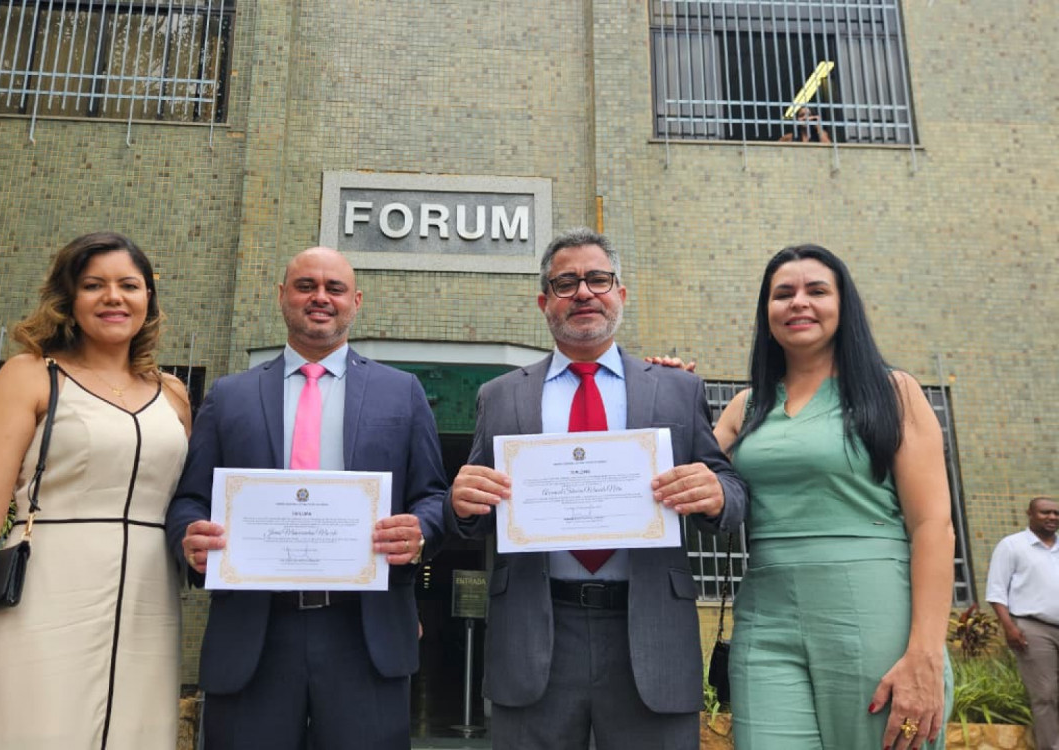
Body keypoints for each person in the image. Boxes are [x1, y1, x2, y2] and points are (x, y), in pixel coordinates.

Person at [446, 228, 748, 750]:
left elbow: (733, 490)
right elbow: (473, 516)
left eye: (598, 279)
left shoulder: (676, 388)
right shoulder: (500, 396)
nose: (583, 292)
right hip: (536, 630)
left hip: (649, 629)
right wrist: (463, 504)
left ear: (620, 293)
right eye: (565, 283)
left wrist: (718, 495)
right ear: (544, 302)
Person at [167, 246, 447, 750]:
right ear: (282, 296)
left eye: (334, 288)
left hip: (365, 632)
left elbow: (431, 495)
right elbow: (189, 499)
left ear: (355, 301)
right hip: (254, 632)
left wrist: (421, 531)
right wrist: (188, 536)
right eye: (305, 286)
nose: (320, 297)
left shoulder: (402, 392)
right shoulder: (229, 396)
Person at [0, 232, 193, 749]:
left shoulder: (174, 395)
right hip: (44, 596)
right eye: (94, 285)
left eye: (128, 285)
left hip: (149, 605)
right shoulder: (30, 376)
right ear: (69, 298)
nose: (113, 297)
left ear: (148, 298)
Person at [712, 244, 953, 750]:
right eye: (783, 293)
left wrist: (925, 654)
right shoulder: (745, 407)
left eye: (816, 290)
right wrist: (665, 385)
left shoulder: (894, 393)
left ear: (844, 307)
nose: (798, 302)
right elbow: (688, 481)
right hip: (765, 617)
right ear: (767, 312)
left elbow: (933, 525)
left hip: (874, 610)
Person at [986, 495, 1059, 750]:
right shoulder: (1012, 546)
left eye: (1056, 513)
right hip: (1033, 627)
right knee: (1045, 693)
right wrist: (1009, 628)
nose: (1052, 517)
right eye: (1045, 512)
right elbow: (996, 591)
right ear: (1029, 514)